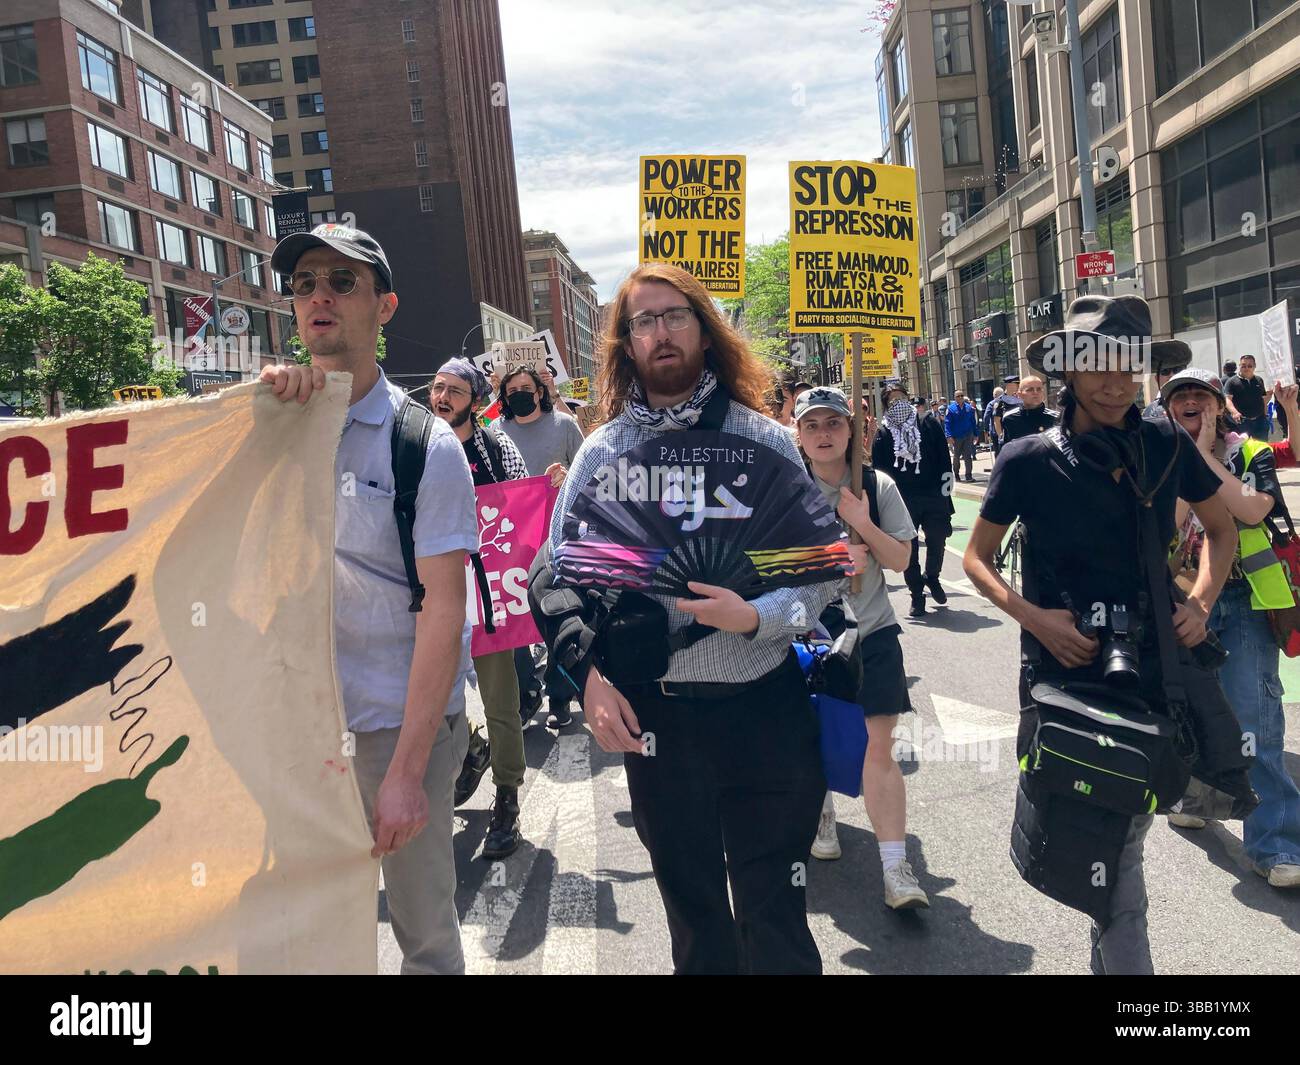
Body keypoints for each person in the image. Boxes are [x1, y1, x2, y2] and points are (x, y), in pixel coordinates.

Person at [540, 262, 840, 974]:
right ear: (625, 343)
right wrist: (587, 678)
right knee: (697, 924)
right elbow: (558, 574)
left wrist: (756, 616)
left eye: (674, 314)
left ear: (705, 330)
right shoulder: (602, 452)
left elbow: (824, 577)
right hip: (660, 723)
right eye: (642, 321)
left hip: (764, 710)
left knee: (776, 920)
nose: (659, 332)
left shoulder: (765, 440)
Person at [963, 295, 1238, 974]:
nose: (1117, 382)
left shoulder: (1166, 443)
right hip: (1059, 675)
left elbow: (1225, 529)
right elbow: (976, 558)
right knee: (1094, 847)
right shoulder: (1026, 456)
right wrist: (1035, 618)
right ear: (1069, 374)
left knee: (1121, 855)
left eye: (1130, 368)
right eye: (1099, 367)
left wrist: (1200, 601)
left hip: (1153, 673)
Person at [261, 223, 478, 974]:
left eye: (341, 282)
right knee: (315, 933)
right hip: (305, 728)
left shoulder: (426, 446)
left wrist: (408, 772)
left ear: (384, 306)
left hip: (397, 726)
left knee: (423, 933)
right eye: (304, 284)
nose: (319, 296)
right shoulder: (271, 426)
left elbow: (444, 614)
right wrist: (266, 412)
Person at [1160, 369, 1300, 889]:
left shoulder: (1251, 453)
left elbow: (1254, 507)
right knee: (1192, 711)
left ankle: (1277, 844)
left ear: (1220, 407)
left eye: (1202, 396)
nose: (1192, 404)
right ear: (1168, 409)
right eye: (1181, 399)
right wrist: (1183, 457)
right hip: (1183, 598)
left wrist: (1199, 459)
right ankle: (1196, 799)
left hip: (1242, 599)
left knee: (1256, 722)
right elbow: (1168, 525)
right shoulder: (1157, 455)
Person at [794, 387, 929, 909]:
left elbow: (899, 561)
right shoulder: (786, 489)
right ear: (799, 434)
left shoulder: (878, 484)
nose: (824, 434)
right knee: (812, 740)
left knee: (879, 746)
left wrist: (864, 523)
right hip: (806, 639)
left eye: (834, 423)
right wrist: (828, 557)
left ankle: (895, 867)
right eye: (812, 426)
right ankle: (823, 812)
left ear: (853, 430)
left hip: (872, 633)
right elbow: (761, 564)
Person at [431, 358, 530, 860]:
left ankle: (507, 798)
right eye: (436, 387)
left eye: (453, 390)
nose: (442, 397)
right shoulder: (417, 446)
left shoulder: (497, 447)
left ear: (474, 398)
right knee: (428, 693)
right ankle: (471, 748)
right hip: (433, 597)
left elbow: (522, 509)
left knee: (500, 700)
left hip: (490, 593)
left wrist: (546, 488)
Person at [497, 365, 584, 728]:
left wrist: (567, 477)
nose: (519, 393)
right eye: (511, 388)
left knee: (558, 615)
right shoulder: (495, 433)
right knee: (516, 619)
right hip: (512, 540)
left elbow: (590, 471)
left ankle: (560, 696)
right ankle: (528, 690)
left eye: (526, 387)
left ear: (539, 392)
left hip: (556, 536)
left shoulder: (563, 426)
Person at [873, 379, 955, 617]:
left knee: (937, 539)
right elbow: (880, 470)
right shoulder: (883, 431)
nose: (897, 402)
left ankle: (932, 576)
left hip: (933, 494)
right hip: (903, 498)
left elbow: (943, 459)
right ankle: (917, 595)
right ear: (886, 404)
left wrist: (946, 495)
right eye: (892, 399)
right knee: (909, 550)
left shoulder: (927, 423)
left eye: (901, 397)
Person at [999, 374, 1058, 442]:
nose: (1035, 393)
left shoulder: (1055, 417)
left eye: (1039, 389)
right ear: (1019, 394)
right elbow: (1007, 448)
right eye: (1030, 390)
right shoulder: (1009, 418)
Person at [1224, 354, 1270, 441]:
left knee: (1262, 447)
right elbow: (1227, 399)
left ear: (1254, 366)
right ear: (1239, 366)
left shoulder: (1259, 380)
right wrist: (1234, 412)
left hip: (1260, 420)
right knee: (1244, 448)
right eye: (1243, 366)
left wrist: (1265, 415)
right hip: (1242, 422)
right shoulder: (1232, 382)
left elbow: (1263, 400)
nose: (1246, 368)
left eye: (1250, 366)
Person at [943, 390, 979, 482]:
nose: (960, 398)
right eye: (958, 396)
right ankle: (956, 474)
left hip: (968, 435)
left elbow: (973, 422)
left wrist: (976, 434)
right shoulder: (950, 409)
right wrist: (949, 436)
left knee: (968, 456)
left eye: (961, 396)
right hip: (956, 436)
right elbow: (947, 423)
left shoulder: (969, 408)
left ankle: (968, 475)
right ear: (954, 398)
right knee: (956, 456)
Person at [988, 374, 1023, 451]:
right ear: (1009, 385)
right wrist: (1000, 435)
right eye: (1017, 384)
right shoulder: (1000, 401)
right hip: (1007, 436)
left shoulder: (1020, 399)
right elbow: (997, 421)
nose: (1018, 386)